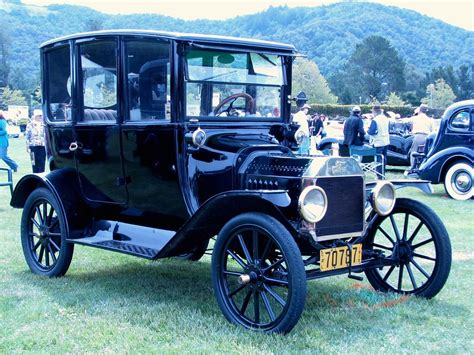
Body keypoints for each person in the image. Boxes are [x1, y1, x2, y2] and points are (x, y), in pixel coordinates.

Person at [404, 104, 434, 172]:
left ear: (419, 110)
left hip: (418, 136)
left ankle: (413, 167)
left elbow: (406, 121)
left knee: (414, 152)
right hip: (427, 137)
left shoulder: (415, 118)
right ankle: (423, 167)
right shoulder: (430, 119)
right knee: (424, 153)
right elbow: (433, 130)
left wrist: (415, 113)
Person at [368, 105, 390, 178]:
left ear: (374, 111)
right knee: (384, 158)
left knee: (378, 158)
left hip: (378, 141)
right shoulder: (386, 118)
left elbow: (372, 131)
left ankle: (379, 175)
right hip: (386, 140)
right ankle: (383, 173)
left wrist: (368, 130)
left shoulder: (375, 120)